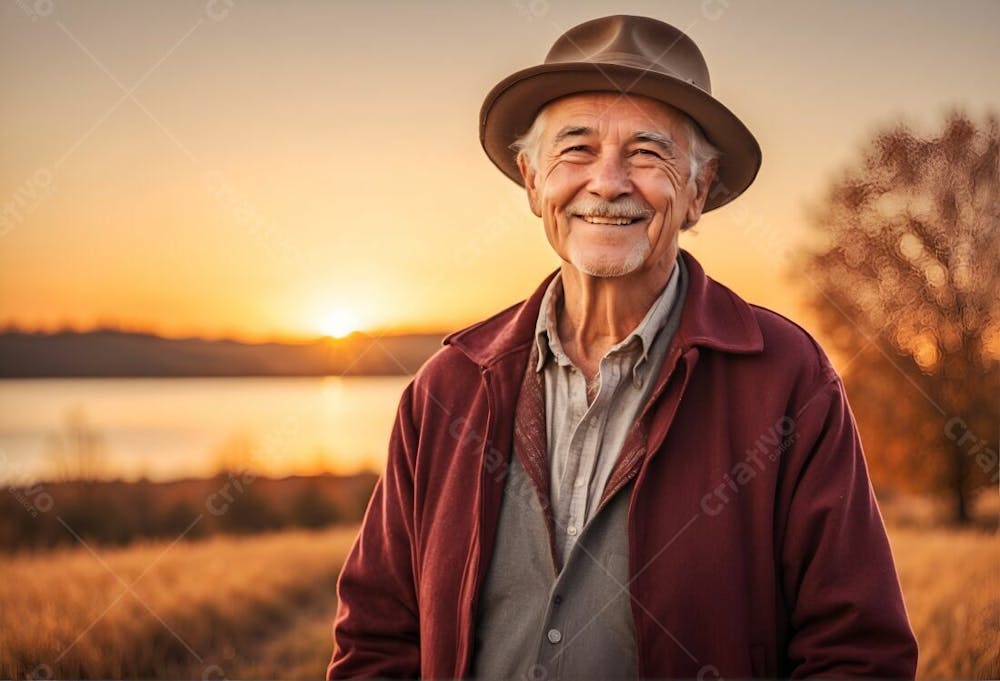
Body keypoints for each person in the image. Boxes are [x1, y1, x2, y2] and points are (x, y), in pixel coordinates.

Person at [327, 14, 918, 680]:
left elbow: (858, 652)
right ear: (531, 180)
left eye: (647, 151)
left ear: (697, 191)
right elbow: (377, 642)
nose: (608, 182)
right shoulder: (446, 389)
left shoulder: (788, 380)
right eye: (576, 148)